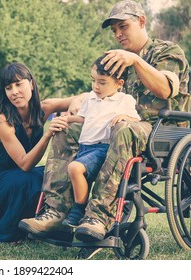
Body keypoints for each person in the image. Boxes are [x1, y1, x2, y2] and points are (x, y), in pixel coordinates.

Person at [20, 0, 189, 243]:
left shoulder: (167, 52)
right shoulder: (118, 61)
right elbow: (101, 91)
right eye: (114, 30)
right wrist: (72, 103)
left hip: (163, 131)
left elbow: (165, 90)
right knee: (66, 127)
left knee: (124, 129)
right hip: (118, 127)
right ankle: (56, 211)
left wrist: (136, 61)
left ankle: (99, 217)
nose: (118, 34)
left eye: (123, 27)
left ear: (142, 22)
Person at [0, 62, 83, 243]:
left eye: (19, 84)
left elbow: (87, 95)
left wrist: (75, 101)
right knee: (30, 179)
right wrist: (48, 134)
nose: (14, 92)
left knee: (60, 173)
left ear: (31, 84)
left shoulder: (43, 108)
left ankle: (57, 225)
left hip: (22, 176)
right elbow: (25, 164)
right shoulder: (2, 120)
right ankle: (10, 232)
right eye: (8, 87)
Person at [61, 54, 140, 228]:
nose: (96, 86)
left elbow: (136, 120)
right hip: (85, 147)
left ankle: (78, 209)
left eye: (102, 82)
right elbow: (83, 118)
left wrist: (124, 116)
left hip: (102, 148)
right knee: (80, 176)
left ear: (119, 83)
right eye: (93, 80)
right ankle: (76, 212)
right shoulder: (91, 97)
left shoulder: (124, 100)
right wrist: (67, 119)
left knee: (75, 168)